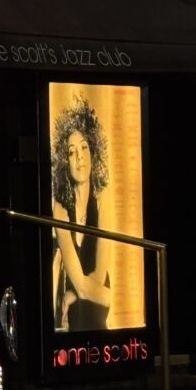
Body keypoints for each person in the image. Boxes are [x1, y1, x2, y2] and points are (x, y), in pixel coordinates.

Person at [51, 95, 112, 332]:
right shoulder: (60, 209)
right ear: (64, 161)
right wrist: (102, 295)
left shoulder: (103, 200)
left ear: (94, 151)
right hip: (79, 314)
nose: (79, 158)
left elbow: (97, 273)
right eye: (71, 151)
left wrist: (75, 294)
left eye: (84, 147)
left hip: (95, 311)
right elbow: (86, 287)